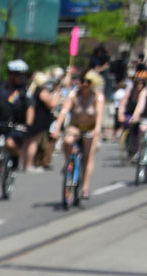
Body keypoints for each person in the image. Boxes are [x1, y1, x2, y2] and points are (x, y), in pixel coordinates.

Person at [52, 70, 104, 200]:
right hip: (75, 126)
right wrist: (57, 128)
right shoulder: (73, 95)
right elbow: (64, 111)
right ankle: (68, 162)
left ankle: (85, 187)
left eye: (88, 82)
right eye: (82, 81)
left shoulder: (97, 96)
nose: (85, 84)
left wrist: (97, 128)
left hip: (90, 128)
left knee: (88, 156)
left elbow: (99, 114)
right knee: (68, 141)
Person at [0, 59, 32, 172]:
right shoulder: (0, 88)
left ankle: (15, 157)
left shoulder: (24, 90)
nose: (21, 78)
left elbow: (30, 108)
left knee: (10, 143)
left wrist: (28, 124)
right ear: (11, 74)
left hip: (15, 124)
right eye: (19, 75)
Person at [23, 71, 58, 172]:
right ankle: (29, 164)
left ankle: (23, 163)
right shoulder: (42, 91)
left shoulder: (30, 90)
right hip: (38, 119)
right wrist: (56, 94)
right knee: (33, 142)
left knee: (26, 142)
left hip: (30, 118)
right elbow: (52, 105)